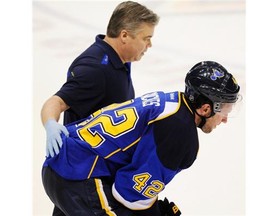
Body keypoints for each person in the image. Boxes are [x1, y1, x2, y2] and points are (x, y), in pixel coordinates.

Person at [42, 61, 242, 216]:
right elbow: (127, 193)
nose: (224, 119)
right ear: (206, 108)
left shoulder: (170, 101)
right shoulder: (181, 133)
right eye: (223, 110)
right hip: (78, 176)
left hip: (63, 165)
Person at [41, 1, 160, 159]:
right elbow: (57, 102)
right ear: (124, 35)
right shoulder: (94, 69)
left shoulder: (120, 59)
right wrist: (51, 125)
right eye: (146, 38)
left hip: (103, 163)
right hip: (83, 170)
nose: (150, 45)